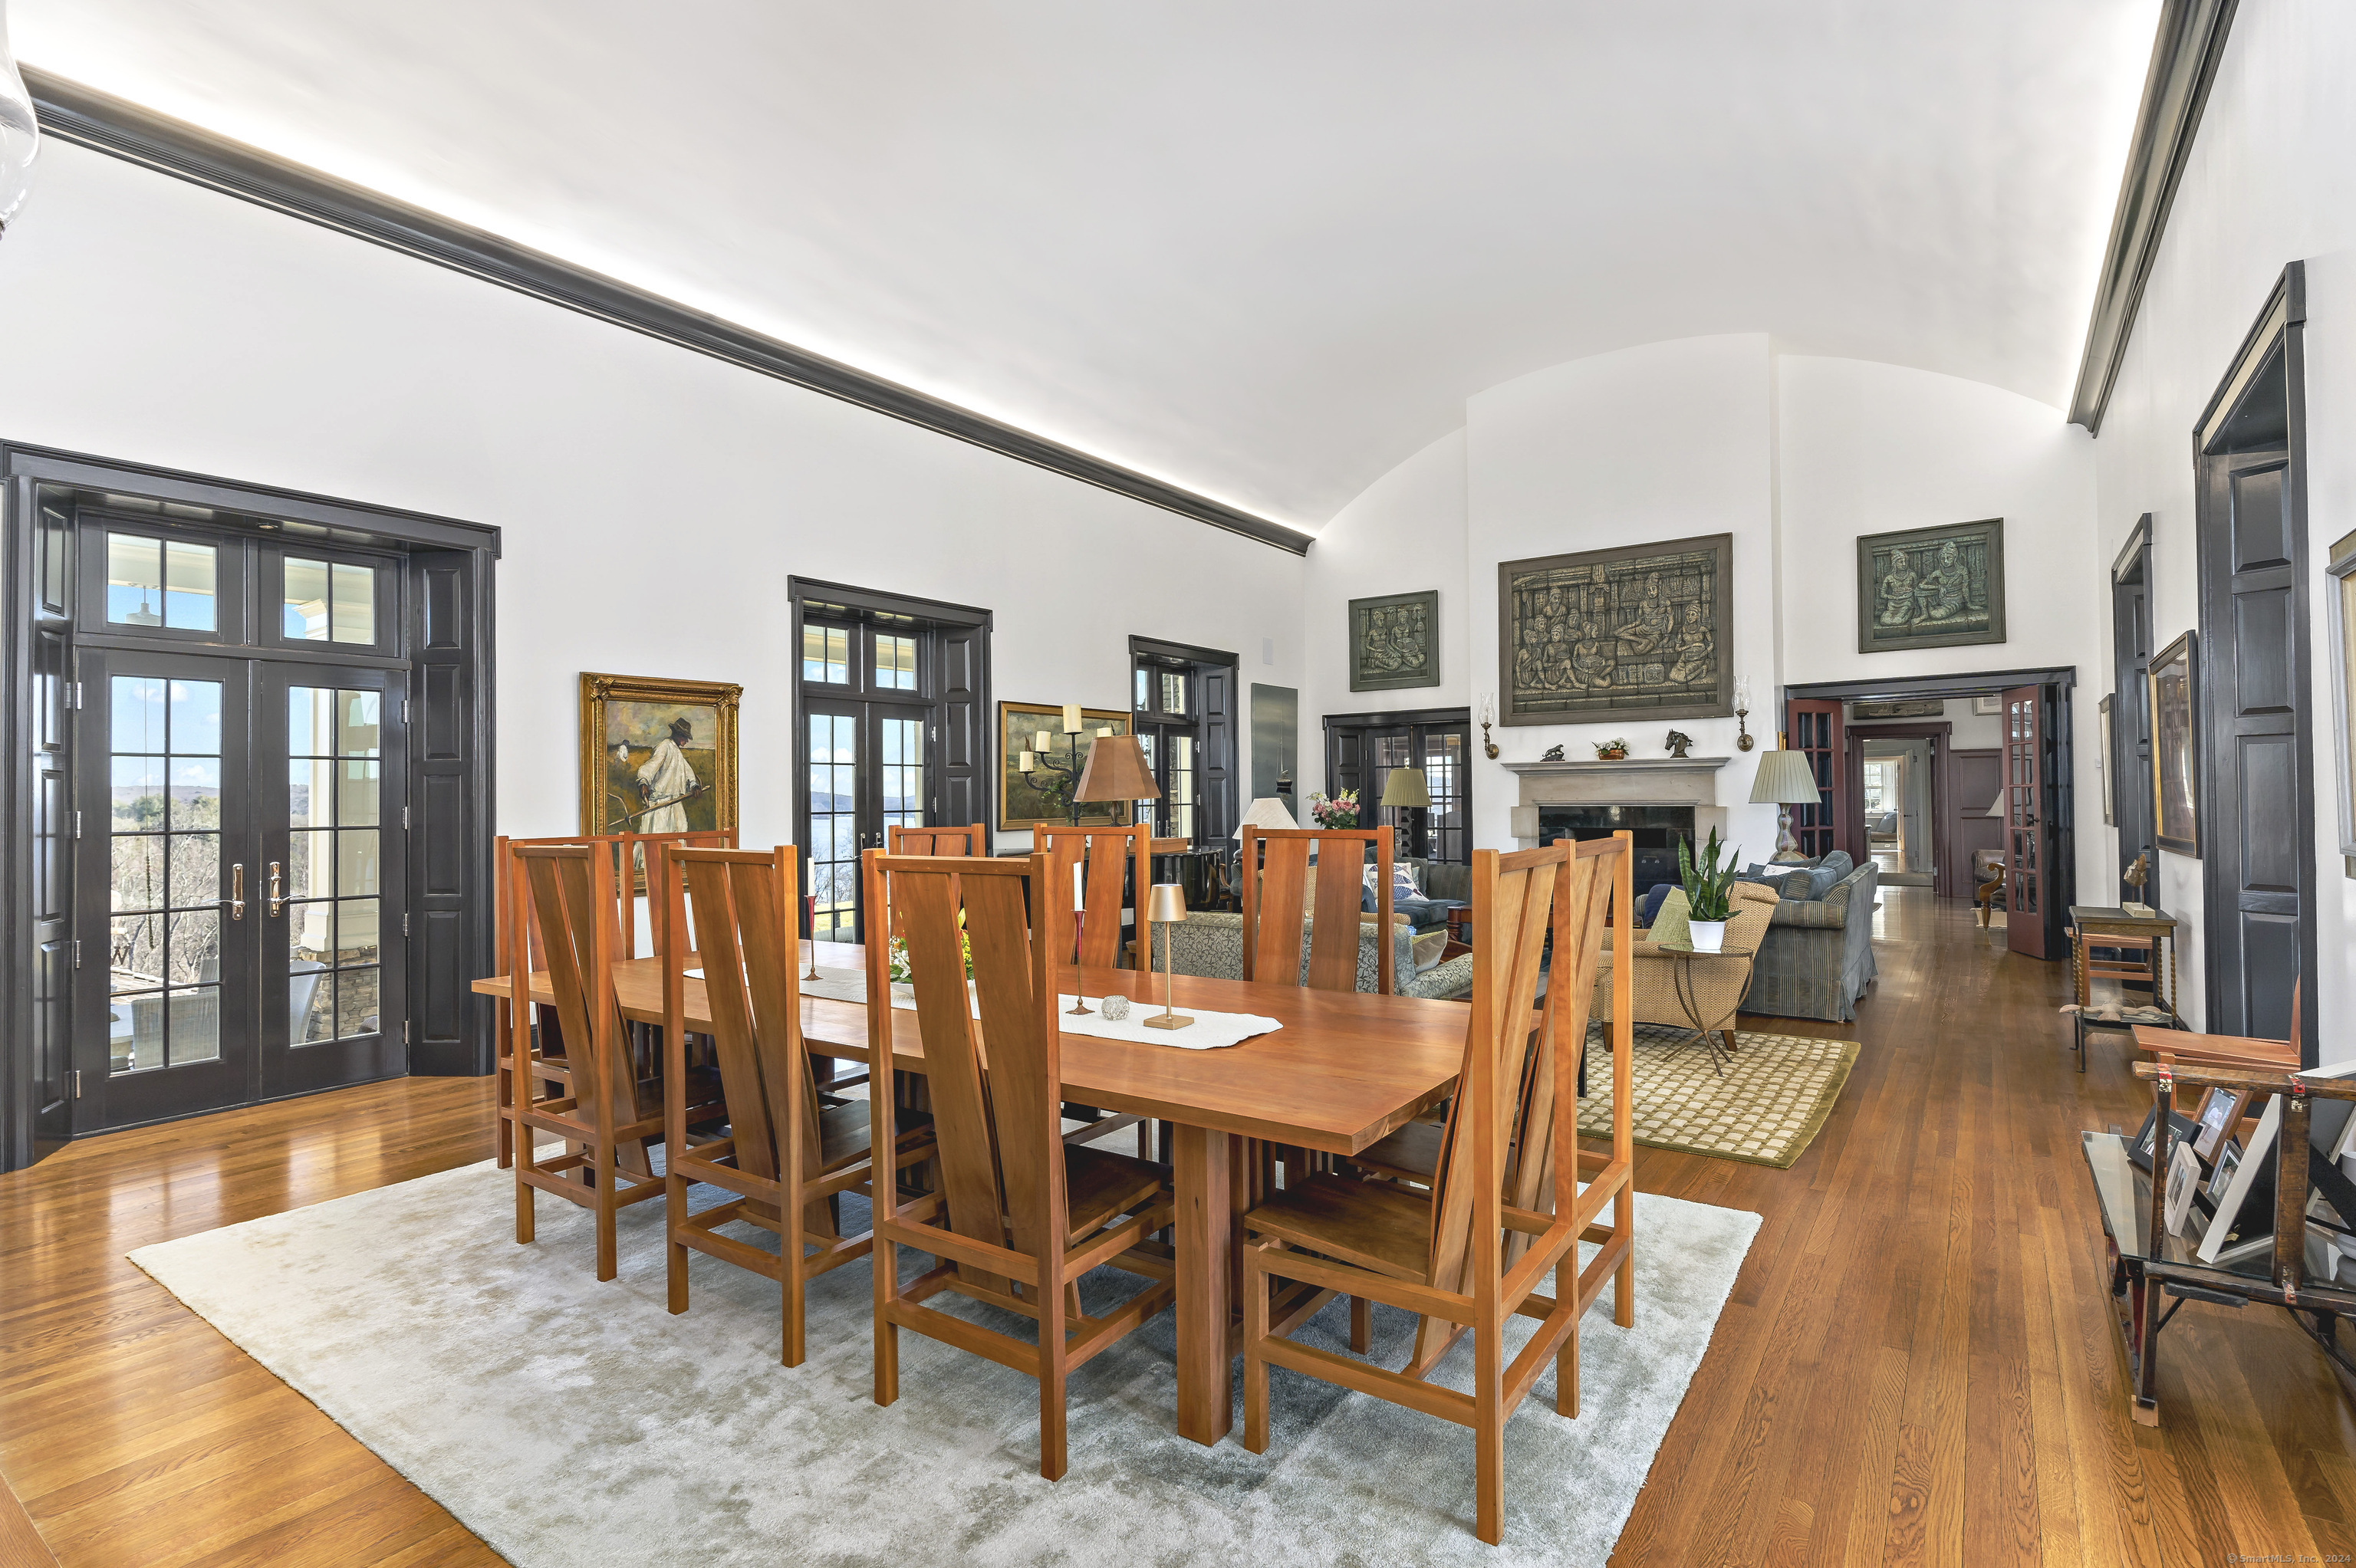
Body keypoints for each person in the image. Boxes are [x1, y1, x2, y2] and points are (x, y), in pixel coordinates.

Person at [635, 716, 699, 833]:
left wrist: (694, 785)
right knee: (659, 837)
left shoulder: (677, 751)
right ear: (678, 734)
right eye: (685, 737)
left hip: (675, 802)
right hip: (661, 804)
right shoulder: (664, 746)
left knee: (679, 834)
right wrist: (643, 782)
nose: (687, 741)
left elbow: (687, 770)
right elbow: (652, 765)